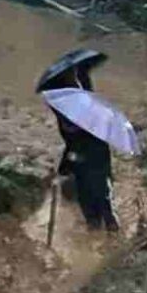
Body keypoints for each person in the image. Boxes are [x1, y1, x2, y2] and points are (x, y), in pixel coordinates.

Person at [48, 67, 119, 231]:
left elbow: (73, 145)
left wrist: (65, 167)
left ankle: (102, 220)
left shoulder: (77, 113)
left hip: (92, 154)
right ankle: (101, 220)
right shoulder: (79, 106)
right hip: (92, 154)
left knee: (94, 188)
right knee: (94, 188)